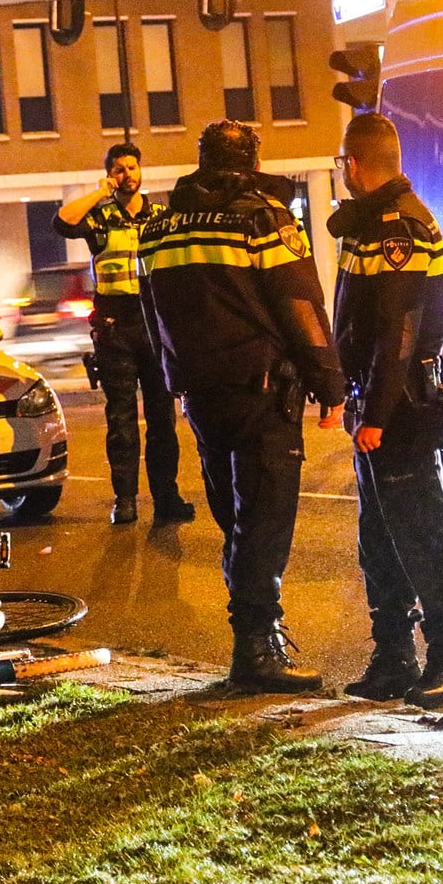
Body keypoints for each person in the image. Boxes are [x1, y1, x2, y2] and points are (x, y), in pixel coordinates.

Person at [138, 120, 347, 693]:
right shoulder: (263, 219)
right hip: (263, 392)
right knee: (265, 518)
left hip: (203, 395)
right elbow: (301, 304)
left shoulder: (159, 228)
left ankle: (254, 641)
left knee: (233, 517)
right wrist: (330, 387)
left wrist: (173, 380)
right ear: (253, 160)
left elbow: (154, 314)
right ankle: (257, 649)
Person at [329, 112, 443, 710]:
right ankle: (392, 658)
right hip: (378, 399)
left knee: (422, 534)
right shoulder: (371, 225)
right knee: (379, 538)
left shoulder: (402, 230)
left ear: (354, 164)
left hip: (403, 406)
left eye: (342, 164)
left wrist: (379, 414)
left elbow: (399, 333)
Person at [54, 142, 195, 526]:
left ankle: (167, 498)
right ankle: (126, 500)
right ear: (110, 174)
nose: (128, 174)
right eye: (119, 169)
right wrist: (101, 191)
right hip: (115, 328)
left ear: (141, 170)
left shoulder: (160, 216)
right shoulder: (100, 218)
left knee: (163, 419)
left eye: (133, 167)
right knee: (121, 420)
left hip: (154, 325)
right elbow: (63, 222)